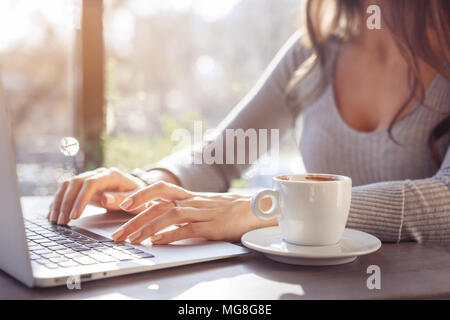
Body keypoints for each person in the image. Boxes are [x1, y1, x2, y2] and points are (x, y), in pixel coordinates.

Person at [48, 0, 450, 244]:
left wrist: (266, 209)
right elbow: (223, 157)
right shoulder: (314, 54)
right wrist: (149, 184)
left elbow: (444, 200)